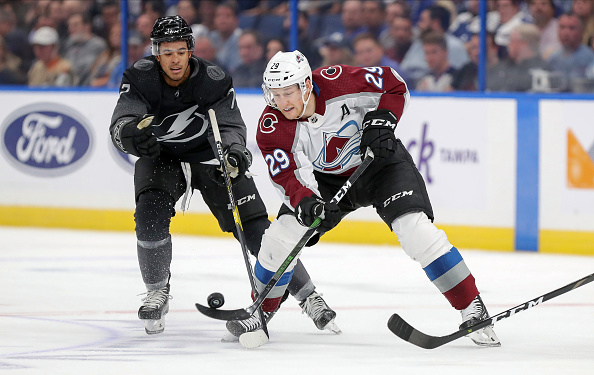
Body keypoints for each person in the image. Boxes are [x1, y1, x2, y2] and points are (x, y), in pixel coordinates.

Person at [228, 50, 501, 349]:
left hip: (382, 165)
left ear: (307, 84)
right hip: (326, 180)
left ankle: (472, 307)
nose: (282, 102)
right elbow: (287, 177)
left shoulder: (340, 82)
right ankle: (261, 312)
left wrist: (384, 119)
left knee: (415, 231)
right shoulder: (272, 126)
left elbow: (394, 84)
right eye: (275, 94)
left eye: (288, 92)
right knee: (280, 237)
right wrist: (307, 203)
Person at [109, 15, 340, 338]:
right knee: (149, 213)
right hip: (160, 157)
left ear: (190, 50)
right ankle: (156, 291)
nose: (174, 59)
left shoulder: (213, 80)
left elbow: (231, 125)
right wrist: (130, 135)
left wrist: (233, 153)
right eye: (166, 51)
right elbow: (122, 121)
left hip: (211, 158)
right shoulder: (140, 78)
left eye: (180, 50)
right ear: (155, 52)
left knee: (258, 230)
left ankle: (309, 296)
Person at [488, 23, 550, 91]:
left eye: (512, 41)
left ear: (524, 44)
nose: (508, 45)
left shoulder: (543, 71)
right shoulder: (502, 68)